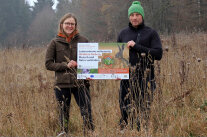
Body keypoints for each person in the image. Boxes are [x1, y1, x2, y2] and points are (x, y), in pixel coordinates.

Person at [45, 13, 94, 134]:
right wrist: (65, 65)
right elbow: (48, 64)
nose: (70, 26)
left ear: (75, 25)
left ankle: (89, 133)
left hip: (81, 83)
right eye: (67, 23)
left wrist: (89, 71)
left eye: (72, 24)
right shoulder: (54, 42)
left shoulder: (84, 40)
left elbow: (92, 61)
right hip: (62, 85)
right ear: (62, 25)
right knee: (63, 113)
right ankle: (63, 134)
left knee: (86, 112)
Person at [117, 1, 163, 131]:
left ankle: (142, 130)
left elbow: (158, 54)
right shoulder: (122, 33)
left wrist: (136, 46)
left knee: (143, 107)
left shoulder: (151, 33)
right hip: (126, 78)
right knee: (124, 106)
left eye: (137, 14)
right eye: (132, 15)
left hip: (146, 77)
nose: (134, 17)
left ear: (142, 16)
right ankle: (126, 129)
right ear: (129, 17)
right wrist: (116, 71)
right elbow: (117, 56)